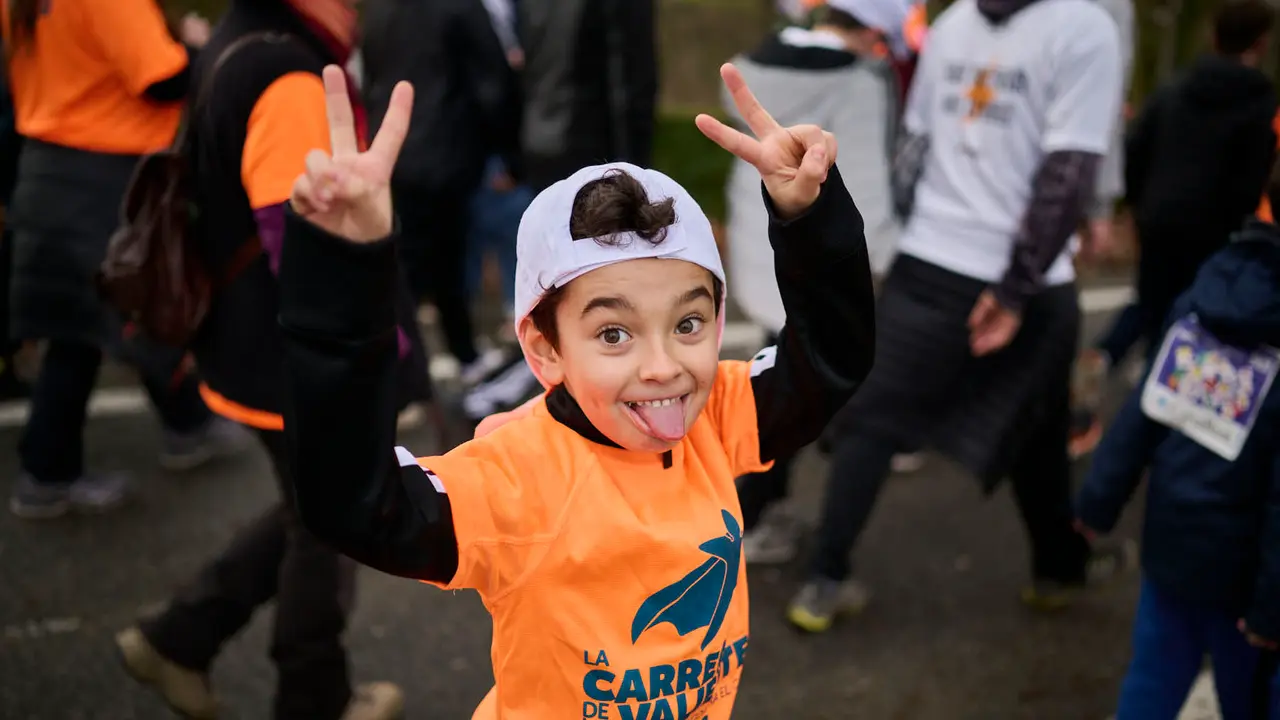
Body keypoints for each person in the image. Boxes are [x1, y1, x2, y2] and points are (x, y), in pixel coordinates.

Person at [278, 63, 874, 718]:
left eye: (688, 323)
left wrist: (811, 219)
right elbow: (351, 503)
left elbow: (829, 359)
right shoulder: (515, 482)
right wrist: (344, 272)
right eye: (614, 334)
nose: (662, 367)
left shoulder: (719, 416)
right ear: (545, 347)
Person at [789, 0, 1130, 633]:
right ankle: (830, 574)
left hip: (948, 263)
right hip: (999, 272)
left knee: (1011, 420)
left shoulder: (998, 26)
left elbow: (923, 155)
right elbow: (1068, 173)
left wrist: (926, 250)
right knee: (897, 418)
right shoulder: (1067, 28)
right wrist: (1012, 288)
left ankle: (827, 578)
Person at [112, 1, 405, 718]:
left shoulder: (241, 38)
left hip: (245, 343)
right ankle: (314, 699)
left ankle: (180, 639)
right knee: (332, 522)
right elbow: (300, 251)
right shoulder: (291, 73)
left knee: (312, 509)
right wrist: (370, 356)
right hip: (290, 361)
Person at [1, 0, 247, 520]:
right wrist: (198, 46)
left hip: (49, 168)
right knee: (147, 305)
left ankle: (177, 427)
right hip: (107, 176)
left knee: (81, 327)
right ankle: (51, 470)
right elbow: (161, 79)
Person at [1075, 160, 1280, 720]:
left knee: (1153, 677)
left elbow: (1144, 411)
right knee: (1251, 696)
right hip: (1246, 577)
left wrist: (1097, 502)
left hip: (1173, 539)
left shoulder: (1204, 295)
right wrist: (1271, 608)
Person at [723, 0, 900, 564]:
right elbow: (868, 182)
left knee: (775, 367)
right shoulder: (863, 81)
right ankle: (743, 517)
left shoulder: (751, 60)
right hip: (817, 245)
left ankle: (751, 504)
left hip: (761, 233)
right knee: (798, 378)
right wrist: (882, 256)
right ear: (873, 33)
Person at [1071, 0, 1274, 457]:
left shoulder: (1176, 86)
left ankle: (1100, 357)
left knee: (1148, 303)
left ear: (1212, 35)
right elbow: (1252, 179)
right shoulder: (1259, 103)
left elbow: (1137, 146)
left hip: (1159, 218)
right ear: (1261, 42)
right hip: (1215, 234)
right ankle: (1152, 426)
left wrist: (1140, 205)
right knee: (1194, 326)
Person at [360, 0, 521, 386]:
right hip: (447, 152)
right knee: (444, 262)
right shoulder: (460, 7)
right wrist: (511, 156)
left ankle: (418, 361)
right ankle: (434, 363)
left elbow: (372, 75)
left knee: (410, 263)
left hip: (393, 150)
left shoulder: (380, 10)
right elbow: (494, 84)